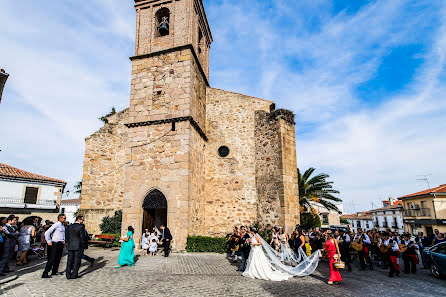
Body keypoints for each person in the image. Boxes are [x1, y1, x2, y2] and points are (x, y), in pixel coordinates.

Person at [42, 214, 66, 278]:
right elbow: (47, 233)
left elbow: (62, 235)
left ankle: (54, 270)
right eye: (64, 218)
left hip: (60, 243)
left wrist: (63, 242)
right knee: (52, 258)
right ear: (60, 218)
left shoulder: (62, 225)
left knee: (58, 258)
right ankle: (45, 272)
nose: (65, 219)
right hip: (55, 242)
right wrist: (49, 241)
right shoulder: (56, 225)